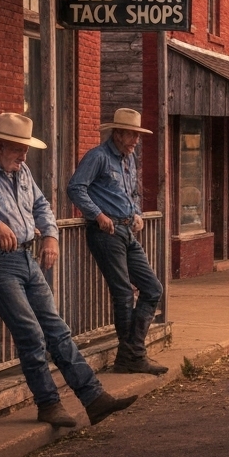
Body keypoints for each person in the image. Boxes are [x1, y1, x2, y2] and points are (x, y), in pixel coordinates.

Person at [0, 113, 135, 427]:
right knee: (31, 334)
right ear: (0, 144)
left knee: (57, 330)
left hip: (25, 257)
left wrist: (50, 235)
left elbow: (42, 204)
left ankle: (94, 398)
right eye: (19, 148)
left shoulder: (22, 171)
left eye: (26, 149)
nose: (25, 155)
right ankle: (48, 404)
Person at [67, 108, 166, 375]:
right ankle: (132, 356)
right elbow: (75, 187)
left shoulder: (129, 159)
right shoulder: (98, 156)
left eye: (137, 135)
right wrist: (97, 215)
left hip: (127, 230)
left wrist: (137, 213)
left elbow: (132, 192)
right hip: (106, 232)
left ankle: (130, 354)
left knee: (153, 288)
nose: (136, 140)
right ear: (118, 133)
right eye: (132, 135)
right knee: (123, 293)